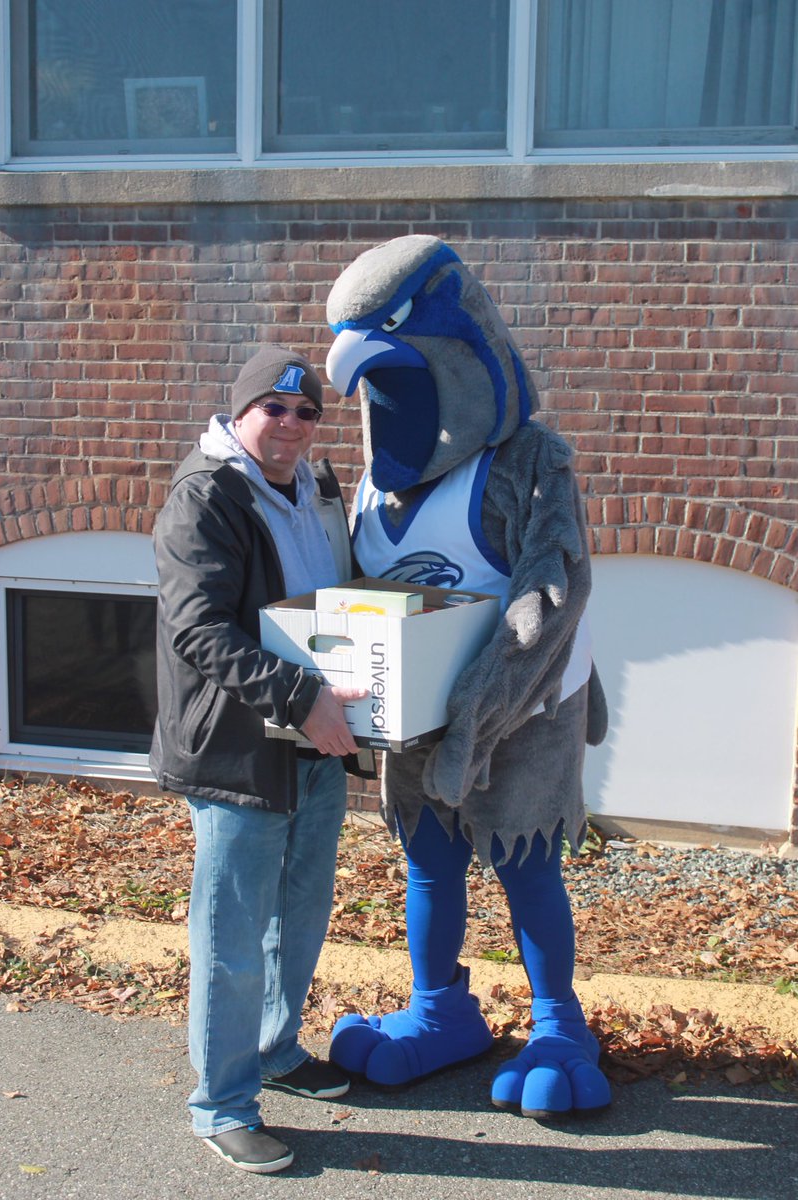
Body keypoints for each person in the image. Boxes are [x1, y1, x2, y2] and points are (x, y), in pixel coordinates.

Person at [323, 235, 612, 1119]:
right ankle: (440, 1009)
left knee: (525, 864)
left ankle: (558, 1025)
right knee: (428, 861)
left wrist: (477, 715)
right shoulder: (373, 486)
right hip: (418, 715)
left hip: (526, 712)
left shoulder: (527, 461)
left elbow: (551, 597)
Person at [149, 344, 371, 1174]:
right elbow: (198, 629)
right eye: (272, 408)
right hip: (237, 750)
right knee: (233, 937)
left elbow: (345, 598)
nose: (290, 424)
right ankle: (221, 1105)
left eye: (306, 411)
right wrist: (298, 695)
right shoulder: (205, 496)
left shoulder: (318, 487)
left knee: (299, 913)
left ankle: (275, 1048)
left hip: (314, 740)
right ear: (239, 412)